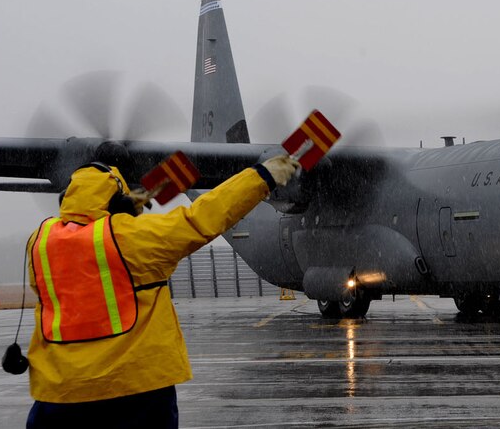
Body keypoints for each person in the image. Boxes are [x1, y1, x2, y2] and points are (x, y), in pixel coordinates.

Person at [24, 155, 299, 428]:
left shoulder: (40, 241)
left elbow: (83, 251)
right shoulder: (133, 237)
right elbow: (203, 217)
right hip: (134, 392)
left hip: (58, 396)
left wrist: (120, 210)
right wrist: (261, 175)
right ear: (118, 202)